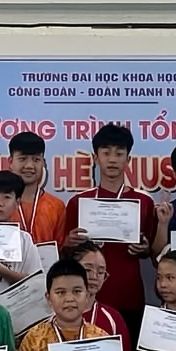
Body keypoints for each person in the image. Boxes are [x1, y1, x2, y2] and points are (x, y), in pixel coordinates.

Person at [63, 123, 155, 330]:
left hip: (129, 294)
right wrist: (69, 243)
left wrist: (144, 248)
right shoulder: (78, 202)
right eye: (106, 153)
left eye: (119, 154)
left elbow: (151, 250)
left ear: (128, 159)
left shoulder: (144, 202)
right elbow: (66, 251)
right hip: (86, 296)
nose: (112, 159)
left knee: (128, 349)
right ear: (95, 158)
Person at [7, 130, 70, 249]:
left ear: (43, 163)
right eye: (22, 159)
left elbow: (61, 249)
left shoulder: (56, 206)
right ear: (10, 162)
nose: (29, 166)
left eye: (36, 160)